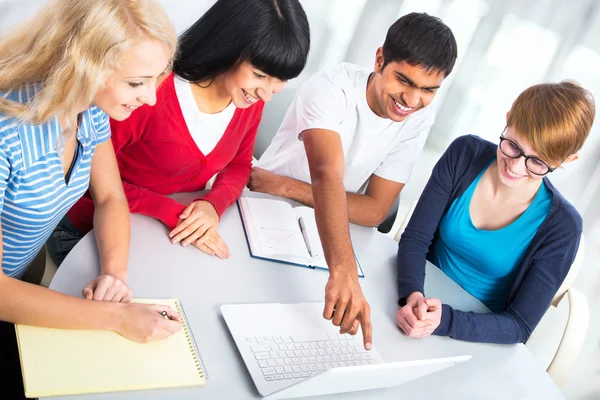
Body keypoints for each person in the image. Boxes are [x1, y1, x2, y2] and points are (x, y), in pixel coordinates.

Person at [0, 0, 181, 397]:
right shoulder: (5, 134)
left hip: (24, 272)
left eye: (155, 80)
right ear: (84, 65)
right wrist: (115, 317)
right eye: (137, 83)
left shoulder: (88, 108)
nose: (150, 99)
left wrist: (114, 275)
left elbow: (111, 198)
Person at [249, 13, 457, 349]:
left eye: (428, 90)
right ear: (379, 60)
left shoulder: (418, 118)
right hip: (262, 206)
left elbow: (375, 211)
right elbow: (327, 174)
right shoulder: (331, 87)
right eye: (403, 80)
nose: (412, 100)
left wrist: (286, 186)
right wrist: (342, 271)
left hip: (323, 230)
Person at [49, 0, 310, 263]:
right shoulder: (146, 92)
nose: (267, 94)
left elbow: (239, 164)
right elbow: (87, 178)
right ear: (228, 46)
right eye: (259, 75)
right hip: (87, 232)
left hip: (163, 234)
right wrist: (171, 211)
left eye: (281, 80)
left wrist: (213, 205)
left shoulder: (246, 99)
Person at [395, 82, 595, 344]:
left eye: (537, 162)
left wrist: (444, 321)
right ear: (508, 118)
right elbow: (415, 238)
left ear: (567, 161)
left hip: (477, 334)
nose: (516, 167)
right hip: (419, 301)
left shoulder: (563, 227)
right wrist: (412, 296)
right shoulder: (464, 154)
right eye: (512, 145)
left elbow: (520, 324)